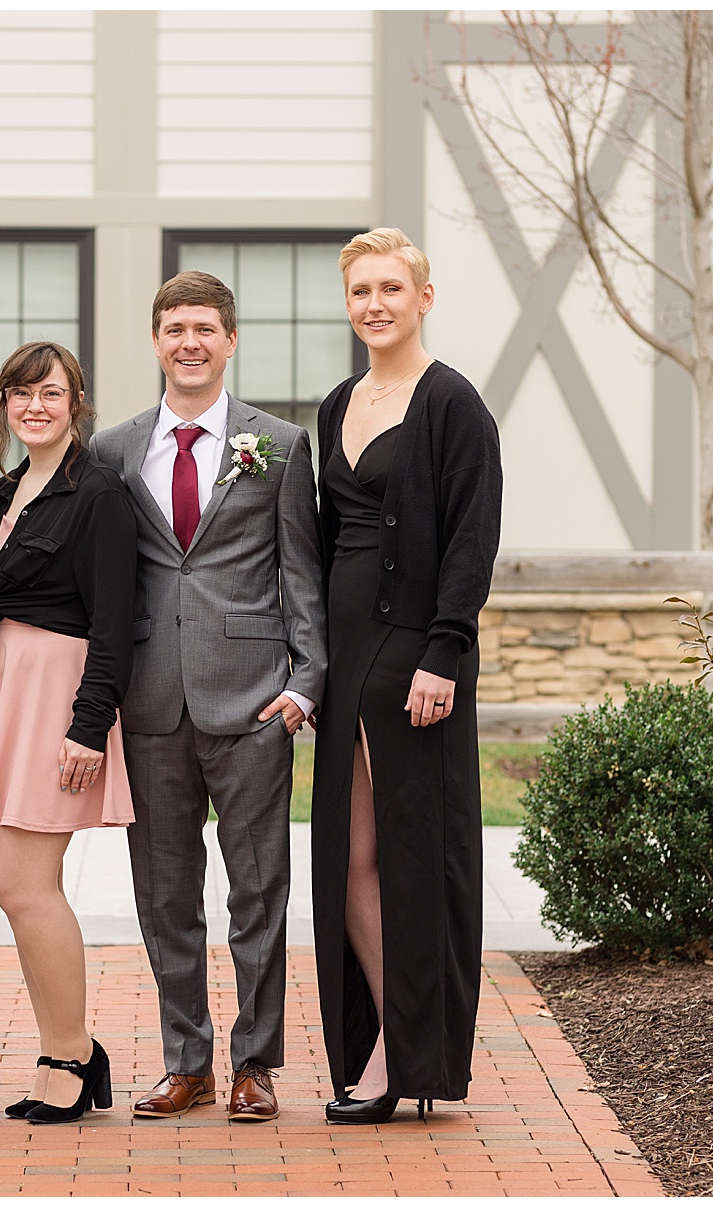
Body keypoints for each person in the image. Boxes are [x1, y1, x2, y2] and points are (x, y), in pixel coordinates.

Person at [92, 272, 326, 1122]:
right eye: (173, 328)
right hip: (149, 704)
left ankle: (255, 1063)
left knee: (259, 892)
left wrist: (305, 684)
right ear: (156, 341)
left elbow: (302, 573)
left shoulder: (283, 446)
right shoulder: (112, 451)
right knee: (164, 894)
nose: (188, 342)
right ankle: (185, 1059)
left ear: (230, 341)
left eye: (204, 328)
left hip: (254, 703)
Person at [310, 228, 502, 1124]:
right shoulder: (337, 402)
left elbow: (471, 539)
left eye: (391, 287)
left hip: (414, 655)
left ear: (424, 297)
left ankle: (409, 1056)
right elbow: (323, 538)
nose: (375, 303)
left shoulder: (454, 404)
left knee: (414, 857)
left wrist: (445, 650)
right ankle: (393, 1032)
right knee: (347, 859)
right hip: (345, 654)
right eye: (360, 291)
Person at [0, 340, 139, 1124]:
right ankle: (66, 1048)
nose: (35, 406)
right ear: (4, 405)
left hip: (55, 696)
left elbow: (116, 623)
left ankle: (72, 1056)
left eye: (50, 394)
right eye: (21, 393)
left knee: (23, 884)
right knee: (14, 884)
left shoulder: (98, 494)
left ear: (75, 404)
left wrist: (87, 726)